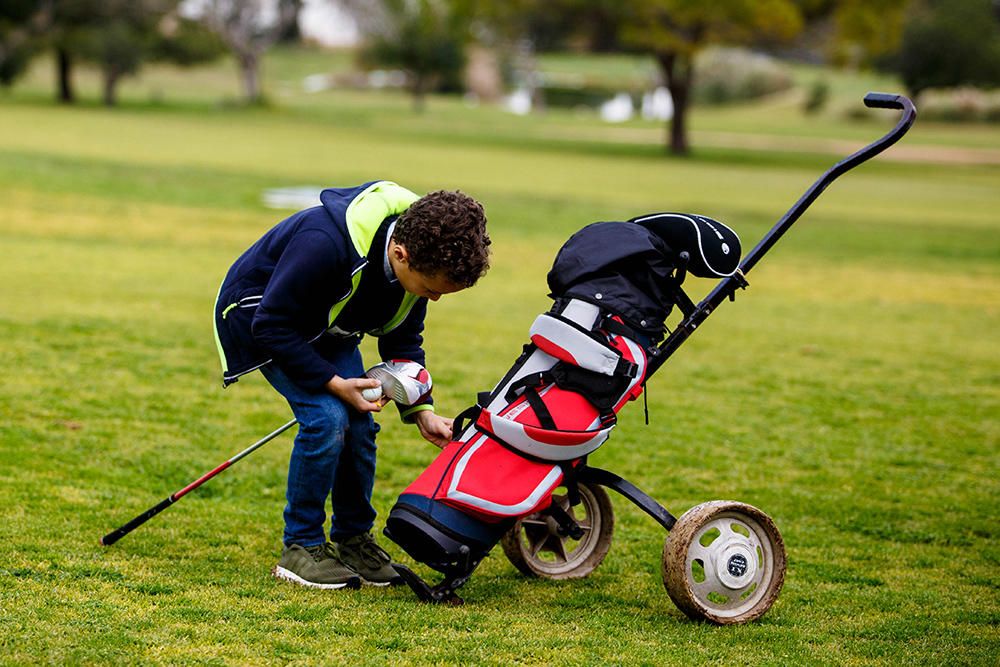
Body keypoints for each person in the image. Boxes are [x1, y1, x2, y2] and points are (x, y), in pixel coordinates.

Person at [213, 181, 491, 589]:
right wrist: (333, 383)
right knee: (327, 419)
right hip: (265, 319)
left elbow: (401, 340)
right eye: (432, 290)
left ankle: (353, 539)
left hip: (330, 328)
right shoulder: (324, 243)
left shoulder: (418, 258)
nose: (433, 300)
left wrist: (421, 411)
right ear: (401, 254)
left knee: (360, 426)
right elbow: (271, 324)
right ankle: (301, 547)